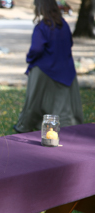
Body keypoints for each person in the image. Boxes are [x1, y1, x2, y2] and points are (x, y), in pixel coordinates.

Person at [14, 0, 83, 133]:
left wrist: (30, 58)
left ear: (41, 7)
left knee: (35, 99)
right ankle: (67, 124)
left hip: (45, 69)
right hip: (66, 69)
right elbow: (69, 44)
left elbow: (37, 49)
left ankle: (27, 124)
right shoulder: (64, 25)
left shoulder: (42, 27)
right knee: (62, 102)